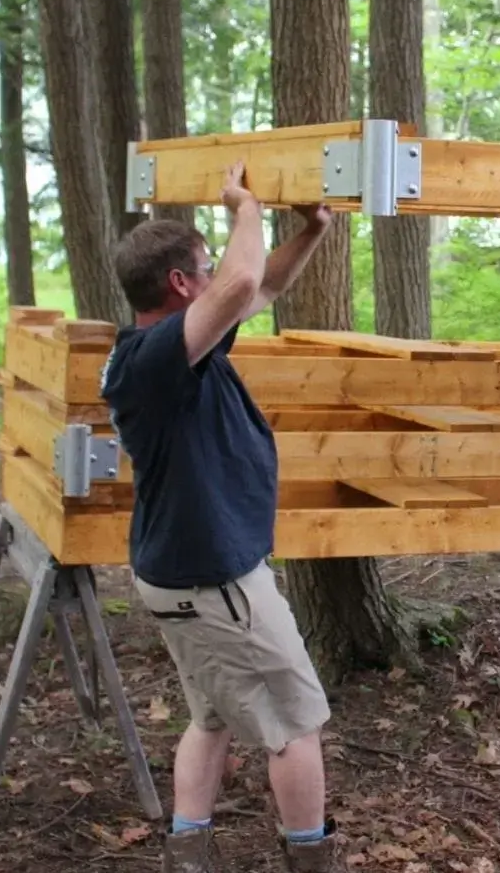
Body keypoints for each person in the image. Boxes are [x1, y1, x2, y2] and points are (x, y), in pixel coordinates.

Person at [100, 162, 342, 872]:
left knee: (210, 717)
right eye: (204, 267)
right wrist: (245, 204)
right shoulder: (151, 361)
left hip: (185, 575)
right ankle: (310, 859)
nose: (219, 273)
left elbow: (257, 285)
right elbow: (237, 283)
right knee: (296, 725)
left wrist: (311, 231)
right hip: (215, 585)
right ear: (180, 284)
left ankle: (189, 854)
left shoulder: (182, 348)